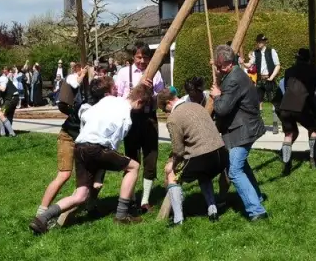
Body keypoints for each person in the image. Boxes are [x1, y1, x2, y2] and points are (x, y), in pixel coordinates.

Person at [30, 78, 147, 234]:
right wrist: (99, 176)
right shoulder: (126, 115)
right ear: (139, 102)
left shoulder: (105, 101)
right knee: (134, 166)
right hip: (95, 148)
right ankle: (122, 215)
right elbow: (111, 145)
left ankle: (42, 219)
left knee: (80, 195)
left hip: (79, 147)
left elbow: (85, 116)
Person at [35, 62, 99, 227]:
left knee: (91, 176)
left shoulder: (97, 95)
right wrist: (84, 74)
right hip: (69, 136)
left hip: (84, 141)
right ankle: (41, 213)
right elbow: (74, 82)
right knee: (64, 174)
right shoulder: (76, 84)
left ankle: (87, 205)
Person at [211, 44, 268, 221]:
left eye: (219, 67)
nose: (217, 70)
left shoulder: (233, 80)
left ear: (227, 64)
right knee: (241, 166)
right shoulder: (235, 74)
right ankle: (256, 197)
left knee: (235, 171)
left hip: (243, 130)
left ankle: (256, 211)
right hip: (245, 127)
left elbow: (222, 109)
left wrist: (216, 96)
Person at [158, 87, 228, 226]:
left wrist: (171, 164)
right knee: (204, 175)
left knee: (172, 175)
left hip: (202, 157)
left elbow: (178, 150)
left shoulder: (173, 118)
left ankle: (178, 220)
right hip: (221, 155)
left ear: (168, 103)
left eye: (164, 109)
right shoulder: (197, 106)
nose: (165, 112)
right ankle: (212, 210)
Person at [114, 42, 165, 212]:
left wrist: (151, 93)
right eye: (138, 57)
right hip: (131, 119)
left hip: (149, 118)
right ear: (133, 57)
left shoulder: (156, 74)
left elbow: (161, 101)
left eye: (145, 57)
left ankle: (145, 199)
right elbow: (118, 97)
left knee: (151, 157)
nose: (142, 61)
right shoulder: (123, 73)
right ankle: (132, 197)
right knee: (131, 157)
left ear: (150, 58)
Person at [278, 48, 316, 175]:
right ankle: (313, 158)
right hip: (303, 104)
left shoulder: (289, 71)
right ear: (308, 59)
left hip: (286, 105)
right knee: (313, 130)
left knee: (288, 135)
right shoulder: (313, 71)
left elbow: (287, 87)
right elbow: (314, 90)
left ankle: (286, 163)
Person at [248, 34, 281, 134]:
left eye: (261, 41)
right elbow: (250, 64)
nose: (259, 43)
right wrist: (242, 62)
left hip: (269, 78)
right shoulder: (255, 53)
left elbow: (278, 65)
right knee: (258, 102)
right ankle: (260, 125)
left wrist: (271, 77)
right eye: (258, 41)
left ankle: (275, 124)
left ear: (265, 42)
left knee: (274, 101)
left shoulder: (271, 51)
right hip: (259, 79)